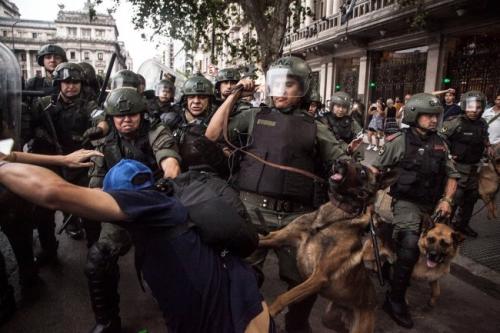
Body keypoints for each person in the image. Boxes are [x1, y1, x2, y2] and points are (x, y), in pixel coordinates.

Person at [0, 159, 273, 333]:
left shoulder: (147, 206)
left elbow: (52, 193)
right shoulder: (166, 201)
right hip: (247, 307)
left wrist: (2, 165)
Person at [205, 56, 353, 333]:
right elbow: (212, 134)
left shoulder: (315, 127)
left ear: (303, 89)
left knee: (301, 281)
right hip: (251, 211)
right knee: (241, 276)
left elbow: (343, 161)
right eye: (277, 84)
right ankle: (247, 323)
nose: (282, 91)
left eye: (290, 85)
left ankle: (296, 324)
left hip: (296, 218)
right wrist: (236, 93)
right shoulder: (253, 116)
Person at [85, 87, 180, 333]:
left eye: (132, 115)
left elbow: (169, 160)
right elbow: (96, 178)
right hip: (118, 206)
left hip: (154, 203)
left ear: (141, 114)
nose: (126, 120)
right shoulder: (104, 141)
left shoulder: (156, 131)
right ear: (111, 118)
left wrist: (166, 181)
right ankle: (106, 321)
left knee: (174, 260)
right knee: (98, 259)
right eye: (120, 116)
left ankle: (177, 307)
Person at [372, 93, 459, 329]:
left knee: (445, 242)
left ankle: (403, 271)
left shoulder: (441, 142)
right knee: (410, 245)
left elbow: (452, 175)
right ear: (414, 115)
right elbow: (375, 170)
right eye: (428, 116)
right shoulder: (398, 141)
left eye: (435, 116)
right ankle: (395, 299)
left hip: (434, 205)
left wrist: (448, 200)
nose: (433, 120)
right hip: (407, 203)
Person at [31, 62, 99, 245]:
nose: (71, 86)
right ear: (58, 84)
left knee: (90, 209)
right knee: (43, 210)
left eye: (75, 82)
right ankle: (48, 249)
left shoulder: (89, 105)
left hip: (81, 164)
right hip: (53, 162)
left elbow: (100, 118)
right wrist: (38, 133)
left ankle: (96, 251)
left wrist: (99, 129)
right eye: (66, 82)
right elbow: (27, 130)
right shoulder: (43, 105)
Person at [441, 91, 490, 238]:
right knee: (454, 198)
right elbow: (440, 138)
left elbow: (485, 139)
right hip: (457, 168)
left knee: (471, 198)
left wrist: (488, 147)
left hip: (474, 168)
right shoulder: (454, 122)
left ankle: (462, 225)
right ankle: (445, 227)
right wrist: (447, 155)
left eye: (478, 107)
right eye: (470, 107)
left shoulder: (482, 123)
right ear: (464, 106)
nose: (474, 111)